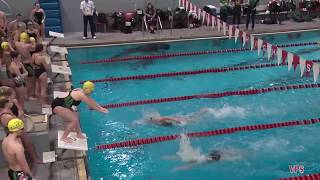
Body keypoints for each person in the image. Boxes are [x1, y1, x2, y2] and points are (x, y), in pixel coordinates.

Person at [0, 97, 42, 164]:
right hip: (14, 134)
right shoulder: (6, 116)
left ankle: (34, 159)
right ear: (6, 104)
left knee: (29, 144)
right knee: (21, 151)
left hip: (18, 131)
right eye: (10, 101)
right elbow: (16, 124)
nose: (12, 102)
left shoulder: (8, 110)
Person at [14, 32, 36, 100]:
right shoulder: (28, 45)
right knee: (30, 81)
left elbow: (14, 39)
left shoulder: (17, 44)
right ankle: (29, 96)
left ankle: (25, 95)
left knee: (24, 80)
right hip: (28, 64)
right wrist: (33, 41)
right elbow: (34, 48)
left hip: (21, 63)